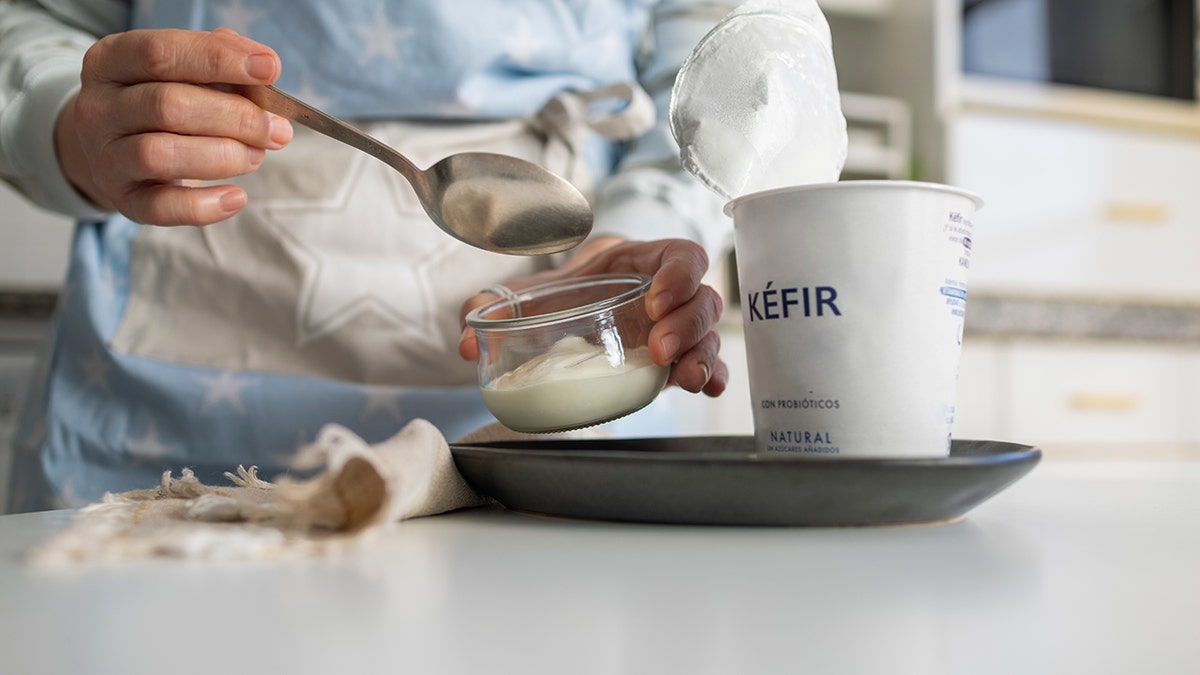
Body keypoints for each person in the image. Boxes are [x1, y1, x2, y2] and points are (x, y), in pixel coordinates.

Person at [0, 0, 735, 513]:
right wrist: (71, 128)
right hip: (154, 454)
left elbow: (725, 65)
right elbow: (32, 23)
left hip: (554, 460)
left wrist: (628, 244)